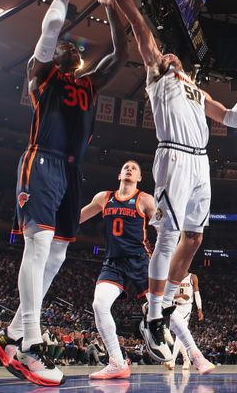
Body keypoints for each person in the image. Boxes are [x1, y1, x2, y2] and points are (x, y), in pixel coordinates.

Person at [82, 0, 237, 373]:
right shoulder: (158, 75)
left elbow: (233, 119)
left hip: (201, 165)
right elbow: (141, 27)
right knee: (167, 236)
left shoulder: (196, 91)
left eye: (176, 57)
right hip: (174, 157)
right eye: (167, 55)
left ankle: (158, 311)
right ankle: (154, 315)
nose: (171, 58)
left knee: (194, 239)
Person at [0, 0, 128, 388]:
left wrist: (111, 5)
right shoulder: (42, 74)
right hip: (42, 160)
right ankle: (31, 345)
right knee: (39, 245)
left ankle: (10, 334)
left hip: (71, 172)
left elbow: (122, 52)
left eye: (73, 46)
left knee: (59, 253)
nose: (68, 44)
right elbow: (50, 30)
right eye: (63, 44)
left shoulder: (89, 83)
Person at [79, 159, 156, 380]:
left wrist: (165, 258)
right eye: (125, 167)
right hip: (113, 262)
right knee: (99, 305)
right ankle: (117, 362)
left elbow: (165, 229)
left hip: (140, 261)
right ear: (119, 175)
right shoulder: (104, 197)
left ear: (140, 178)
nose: (129, 169)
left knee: (161, 307)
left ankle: (194, 353)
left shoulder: (145, 199)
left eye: (134, 168)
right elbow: (79, 217)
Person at [165, 272, 204, 371]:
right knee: (178, 333)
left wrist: (199, 309)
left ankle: (172, 360)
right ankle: (186, 359)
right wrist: (180, 295)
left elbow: (197, 294)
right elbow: (167, 294)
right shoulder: (173, 276)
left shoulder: (192, 277)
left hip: (186, 307)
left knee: (179, 334)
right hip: (174, 306)